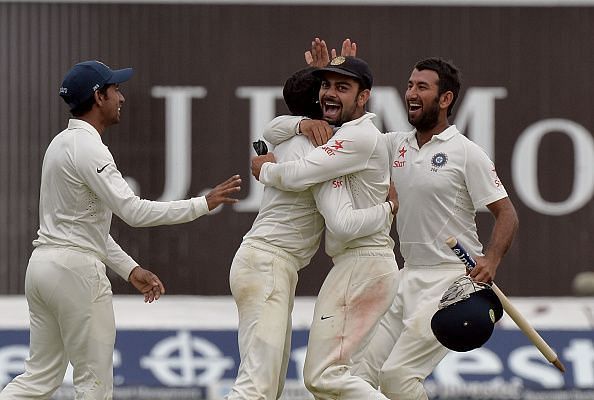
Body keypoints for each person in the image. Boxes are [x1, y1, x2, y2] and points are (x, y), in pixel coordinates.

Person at [0, 60, 242, 400]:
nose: (121, 97)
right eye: (115, 90)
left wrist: (130, 269)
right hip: (75, 273)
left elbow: (86, 228)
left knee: (36, 380)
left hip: (42, 267)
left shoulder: (60, 143)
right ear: (99, 97)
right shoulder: (89, 147)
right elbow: (134, 211)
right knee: (94, 384)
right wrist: (202, 204)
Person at [289, 53, 519, 399]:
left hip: (451, 280)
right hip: (406, 276)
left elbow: (507, 214)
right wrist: (328, 84)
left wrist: (491, 260)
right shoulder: (393, 144)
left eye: (422, 87)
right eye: (410, 85)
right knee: (360, 377)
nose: (411, 93)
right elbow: (342, 133)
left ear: (445, 99)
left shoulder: (466, 152)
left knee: (397, 378)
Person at [227, 63, 395, 400]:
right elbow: (342, 222)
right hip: (268, 265)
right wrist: (390, 208)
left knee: (272, 387)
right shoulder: (315, 147)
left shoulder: (295, 136)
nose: (330, 94)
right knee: (259, 388)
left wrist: (271, 160)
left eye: (340, 87)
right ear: (317, 109)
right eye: (326, 88)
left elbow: (271, 129)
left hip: (267, 264)